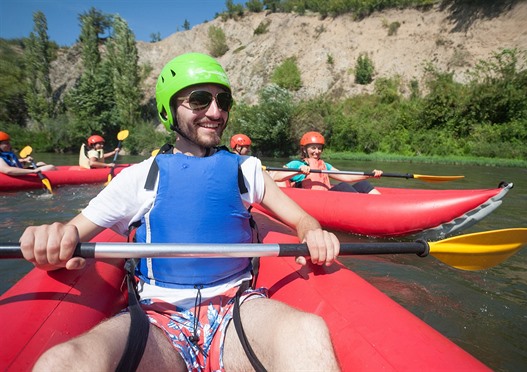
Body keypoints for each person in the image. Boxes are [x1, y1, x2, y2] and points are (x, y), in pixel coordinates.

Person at [19, 53, 340, 371]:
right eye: (200, 100)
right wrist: (50, 237)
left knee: (308, 332)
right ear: (168, 109)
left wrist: (312, 233)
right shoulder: (139, 178)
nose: (215, 112)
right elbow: (71, 232)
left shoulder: (247, 169)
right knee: (60, 363)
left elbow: (301, 218)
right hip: (157, 318)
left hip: (237, 308)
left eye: (223, 101)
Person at [270, 131, 383, 194]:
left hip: (327, 198)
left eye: (319, 148)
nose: (317, 151)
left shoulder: (325, 166)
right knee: (343, 187)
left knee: (363, 185)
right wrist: (297, 171)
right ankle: (363, 208)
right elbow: (277, 176)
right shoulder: (297, 164)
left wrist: (369, 175)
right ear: (304, 149)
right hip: (314, 201)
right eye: (313, 148)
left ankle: (379, 207)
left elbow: (345, 176)